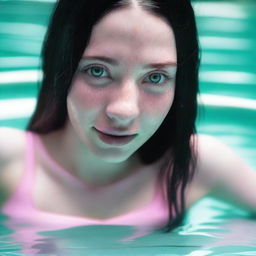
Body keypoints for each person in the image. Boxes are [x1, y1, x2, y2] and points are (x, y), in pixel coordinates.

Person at [0, 0, 255, 234]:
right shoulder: (7, 160)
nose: (124, 109)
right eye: (97, 71)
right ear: (61, 67)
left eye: (156, 77)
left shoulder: (197, 165)